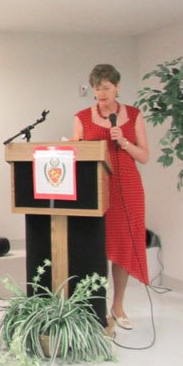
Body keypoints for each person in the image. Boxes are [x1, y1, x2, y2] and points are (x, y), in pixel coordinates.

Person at [73, 64, 149, 330]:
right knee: (95, 247)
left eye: (106, 87)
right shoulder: (82, 117)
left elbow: (145, 157)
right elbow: (76, 155)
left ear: (117, 87)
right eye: (97, 88)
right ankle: (97, 305)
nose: (101, 93)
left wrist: (124, 142)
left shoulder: (134, 115)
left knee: (123, 247)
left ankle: (118, 305)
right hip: (95, 190)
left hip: (127, 188)